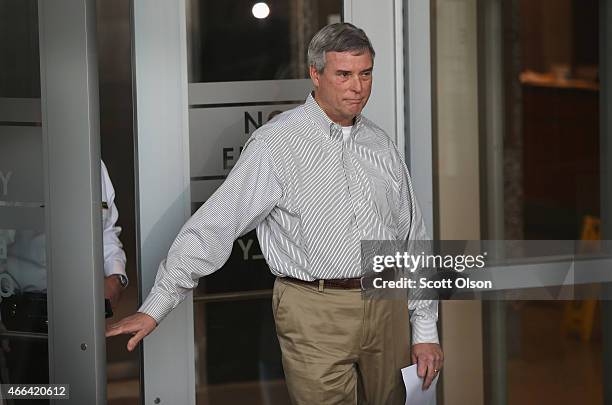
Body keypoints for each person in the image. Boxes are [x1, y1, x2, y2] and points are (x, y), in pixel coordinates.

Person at [106, 23, 443, 404]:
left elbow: (413, 238)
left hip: (387, 306)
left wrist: (425, 330)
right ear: (315, 74)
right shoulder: (276, 144)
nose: (358, 87)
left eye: (365, 74)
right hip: (314, 310)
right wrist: (156, 305)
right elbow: (216, 225)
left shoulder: (380, 143)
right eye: (344, 74)